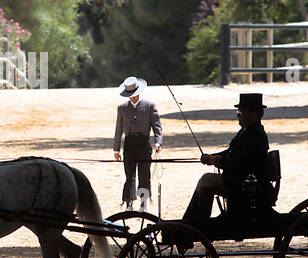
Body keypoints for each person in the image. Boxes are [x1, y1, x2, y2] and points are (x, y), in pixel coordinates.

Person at [181, 92, 271, 227]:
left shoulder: (255, 135)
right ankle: (188, 223)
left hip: (247, 186)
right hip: (239, 182)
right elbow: (230, 153)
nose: (238, 114)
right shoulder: (247, 131)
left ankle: (200, 226)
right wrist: (211, 157)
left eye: (241, 111)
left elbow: (242, 164)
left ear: (254, 114)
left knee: (207, 180)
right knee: (205, 180)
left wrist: (219, 162)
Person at [113, 76, 163, 211]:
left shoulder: (149, 106)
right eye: (129, 95)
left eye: (133, 95)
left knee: (144, 175)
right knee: (129, 175)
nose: (132, 98)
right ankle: (129, 203)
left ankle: (144, 202)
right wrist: (116, 150)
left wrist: (158, 142)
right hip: (129, 144)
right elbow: (118, 129)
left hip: (144, 144)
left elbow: (157, 126)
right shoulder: (122, 108)